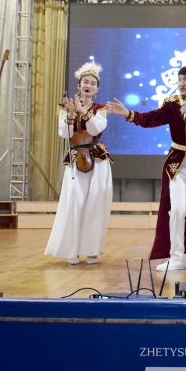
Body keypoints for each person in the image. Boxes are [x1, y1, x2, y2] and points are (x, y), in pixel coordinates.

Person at [108, 66, 186, 272]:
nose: (182, 83)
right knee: (177, 210)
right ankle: (175, 258)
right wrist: (127, 113)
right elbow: (150, 119)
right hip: (177, 165)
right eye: (179, 79)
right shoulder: (171, 104)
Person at [44, 62, 113, 265]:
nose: (88, 85)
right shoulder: (65, 106)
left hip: (97, 159)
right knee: (74, 202)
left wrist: (83, 111)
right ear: (79, 85)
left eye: (92, 83)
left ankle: (91, 250)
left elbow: (95, 129)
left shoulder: (101, 109)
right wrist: (72, 114)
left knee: (95, 204)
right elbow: (64, 134)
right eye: (85, 82)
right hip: (76, 158)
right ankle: (72, 250)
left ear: (96, 89)